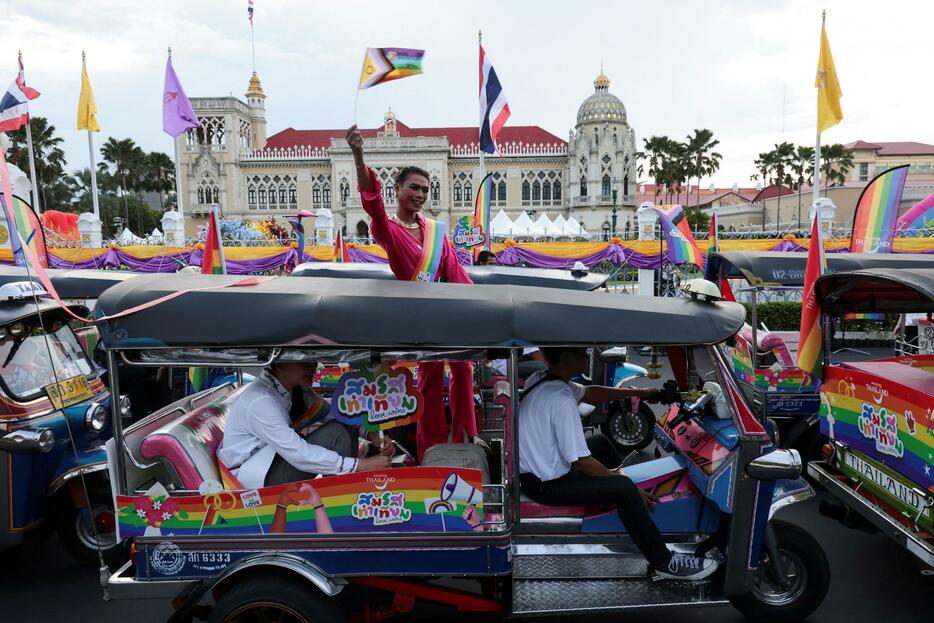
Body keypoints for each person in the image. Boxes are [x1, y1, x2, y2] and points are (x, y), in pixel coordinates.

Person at [518, 346, 718, 580]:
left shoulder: (542, 378)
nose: (586, 356)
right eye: (582, 352)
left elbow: (590, 392)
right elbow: (581, 462)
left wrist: (639, 393)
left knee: (601, 442)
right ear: (566, 356)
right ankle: (663, 562)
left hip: (540, 468)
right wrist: (626, 484)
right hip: (547, 485)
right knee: (623, 488)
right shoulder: (560, 399)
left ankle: (626, 517)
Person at [347, 125, 483, 460]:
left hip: (444, 316)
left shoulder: (436, 231)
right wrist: (358, 154)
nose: (420, 194)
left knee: (464, 367)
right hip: (415, 319)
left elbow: (456, 274)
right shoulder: (387, 229)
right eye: (414, 188)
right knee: (430, 382)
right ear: (398, 189)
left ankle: (466, 438)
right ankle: (431, 452)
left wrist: (481, 307)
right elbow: (372, 202)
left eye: (425, 189)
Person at [217, 358, 391, 488]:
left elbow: (333, 414)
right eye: (305, 362)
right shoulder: (261, 401)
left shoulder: (293, 389)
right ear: (281, 364)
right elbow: (300, 455)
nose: (314, 367)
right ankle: (342, 497)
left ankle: (348, 490)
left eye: (314, 360)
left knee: (343, 425)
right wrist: (363, 465)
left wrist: (370, 434)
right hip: (253, 481)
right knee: (335, 433)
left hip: (273, 461)